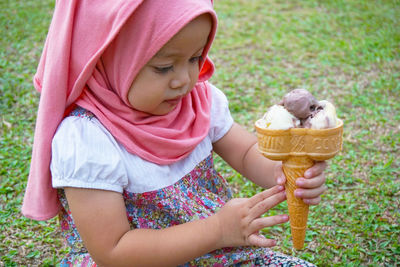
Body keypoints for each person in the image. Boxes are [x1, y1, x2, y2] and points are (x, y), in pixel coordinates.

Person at [22, 0, 328, 266]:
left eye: (195, 58)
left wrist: (286, 174)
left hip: (217, 258)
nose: (184, 79)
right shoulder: (87, 139)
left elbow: (247, 154)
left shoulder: (197, 102)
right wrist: (218, 230)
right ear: (106, 55)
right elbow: (113, 251)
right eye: (164, 67)